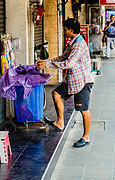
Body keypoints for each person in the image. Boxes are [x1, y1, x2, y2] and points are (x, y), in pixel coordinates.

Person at [36, 18, 94, 148]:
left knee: (83, 110)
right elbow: (63, 57)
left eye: (65, 29)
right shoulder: (73, 42)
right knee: (56, 94)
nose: (64, 31)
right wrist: (47, 62)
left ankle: (86, 136)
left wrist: (48, 64)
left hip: (82, 82)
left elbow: (69, 63)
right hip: (72, 80)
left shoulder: (79, 45)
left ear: (71, 30)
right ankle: (60, 122)